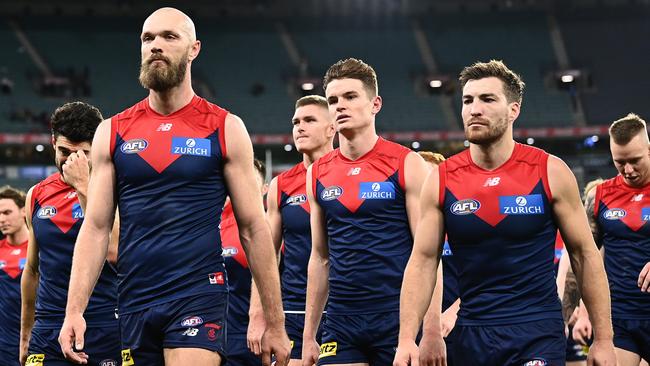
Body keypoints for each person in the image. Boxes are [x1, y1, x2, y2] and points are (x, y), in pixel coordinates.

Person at [58, 7, 290, 366]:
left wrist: (273, 321)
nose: (155, 46)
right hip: (134, 296)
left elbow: (254, 229)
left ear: (194, 49)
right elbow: (97, 227)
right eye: (148, 38)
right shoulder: (113, 131)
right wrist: (75, 310)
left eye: (169, 37)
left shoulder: (224, 127)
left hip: (199, 292)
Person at [395, 60, 616, 366]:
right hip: (471, 334)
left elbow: (584, 255)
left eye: (487, 99)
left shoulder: (550, 171)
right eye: (467, 100)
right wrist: (410, 338)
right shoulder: (442, 179)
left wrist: (604, 340)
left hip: (536, 331)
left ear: (514, 110)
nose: (474, 109)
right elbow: (422, 262)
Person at [301, 58, 441, 366]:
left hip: (398, 318)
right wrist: (309, 334)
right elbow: (320, 257)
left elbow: (428, 256)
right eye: (333, 100)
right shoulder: (317, 173)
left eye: (351, 97)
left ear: (375, 103)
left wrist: (430, 332)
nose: (340, 106)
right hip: (341, 318)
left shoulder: (407, 164)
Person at [20, 102, 121, 365]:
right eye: (64, 151)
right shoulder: (36, 195)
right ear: (53, 142)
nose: (72, 160)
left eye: (83, 153)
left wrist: (84, 186)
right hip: (47, 326)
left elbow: (113, 250)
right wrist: (25, 334)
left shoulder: (116, 187)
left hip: (103, 322)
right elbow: (32, 270)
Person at [248, 95, 335, 366]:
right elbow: (266, 254)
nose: (300, 127)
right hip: (294, 309)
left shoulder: (352, 177)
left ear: (332, 128)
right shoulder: (281, 185)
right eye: (296, 122)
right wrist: (258, 314)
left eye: (310, 120)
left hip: (344, 306)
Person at [580, 113, 650, 365]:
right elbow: (582, 256)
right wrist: (578, 312)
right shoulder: (599, 196)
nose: (628, 170)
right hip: (618, 318)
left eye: (635, 160)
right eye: (620, 162)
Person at [222, 159, 268, 366]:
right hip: (213, 337)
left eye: (251, 182)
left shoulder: (269, 229)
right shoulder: (213, 227)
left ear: (264, 189)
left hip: (253, 339)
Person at [0, 186, 29, 366]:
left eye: (7, 212)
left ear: (24, 211)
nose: (2, 219)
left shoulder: (42, 249)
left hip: (38, 339)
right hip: (3, 344)